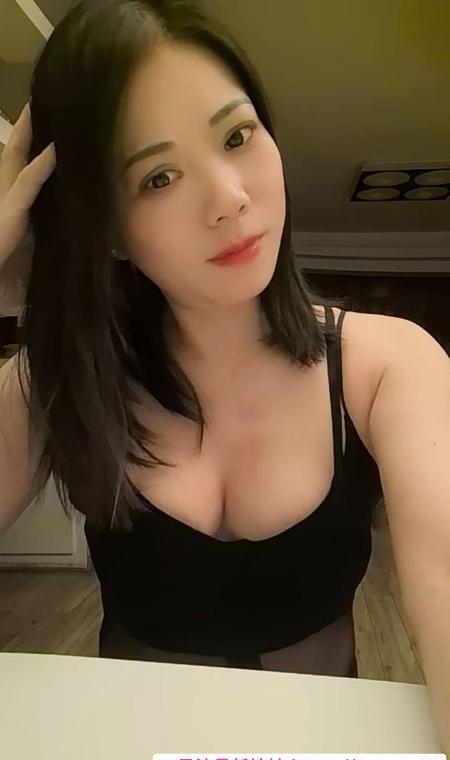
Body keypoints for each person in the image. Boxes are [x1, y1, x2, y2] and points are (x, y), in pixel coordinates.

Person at [0, 7, 450, 748]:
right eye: (159, 177)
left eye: (237, 136)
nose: (229, 197)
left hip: (318, 747)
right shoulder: (60, 378)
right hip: (127, 746)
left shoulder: (388, 364)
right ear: (106, 227)